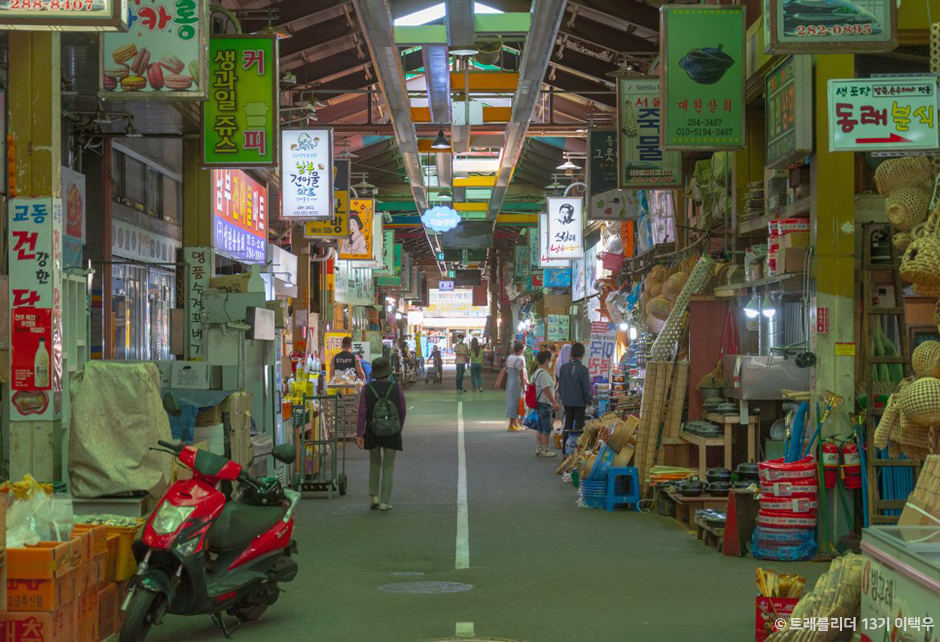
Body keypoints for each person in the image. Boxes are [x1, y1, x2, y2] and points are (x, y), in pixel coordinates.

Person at [356, 357, 405, 511]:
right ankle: (385, 502)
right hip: (392, 431)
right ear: (388, 372)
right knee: (388, 466)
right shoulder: (396, 388)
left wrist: (360, 434)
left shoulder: (367, 389)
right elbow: (402, 411)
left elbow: (361, 413)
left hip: (373, 430)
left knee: (375, 462)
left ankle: (374, 497)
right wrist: (398, 428)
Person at [558, 342, 592, 436]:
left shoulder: (563, 368)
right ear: (582, 354)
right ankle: (577, 448)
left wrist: (562, 397)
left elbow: (560, 385)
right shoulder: (583, 369)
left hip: (567, 401)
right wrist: (589, 401)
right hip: (579, 402)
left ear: (571, 353)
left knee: (567, 423)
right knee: (579, 425)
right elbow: (586, 388)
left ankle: (565, 446)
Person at [532, 350, 561, 457]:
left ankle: (539, 448)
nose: (551, 362)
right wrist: (554, 402)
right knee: (546, 427)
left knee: (540, 427)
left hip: (540, 403)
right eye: (550, 360)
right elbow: (546, 390)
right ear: (546, 360)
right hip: (544, 403)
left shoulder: (537, 372)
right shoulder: (543, 374)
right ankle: (546, 449)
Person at [505, 341, 527, 431]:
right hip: (516, 383)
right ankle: (511, 425)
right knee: (516, 403)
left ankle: (515, 424)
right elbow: (521, 375)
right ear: (521, 350)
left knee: (511, 402)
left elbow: (507, 369)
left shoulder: (509, 357)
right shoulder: (520, 360)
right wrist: (523, 385)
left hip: (509, 382)